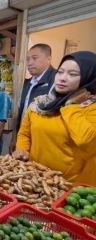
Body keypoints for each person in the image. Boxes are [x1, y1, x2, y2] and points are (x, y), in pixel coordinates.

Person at [13, 51, 96, 185]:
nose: (62, 78)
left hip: (72, 189)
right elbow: (25, 134)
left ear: (89, 78)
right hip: (36, 180)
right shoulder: (41, 103)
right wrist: (22, 149)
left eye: (72, 74)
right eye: (60, 71)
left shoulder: (91, 108)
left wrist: (71, 106)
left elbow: (87, 142)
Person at [18, 44, 56, 129]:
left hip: (41, 137)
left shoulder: (57, 80)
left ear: (48, 59)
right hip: (23, 136)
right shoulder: (27, 83)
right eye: (28, 59)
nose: (30, 63)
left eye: (35, 58)